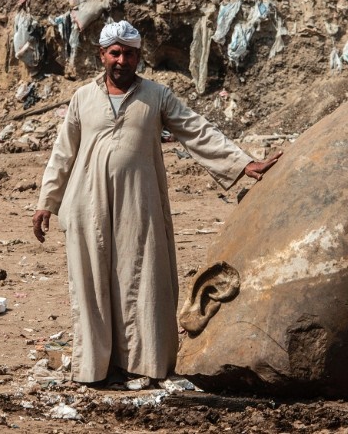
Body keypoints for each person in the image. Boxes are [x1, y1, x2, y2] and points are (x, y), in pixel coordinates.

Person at [32, 20, 281, 386]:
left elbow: (196, 129)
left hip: (140, 203)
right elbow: (62, 153)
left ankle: (143, 365)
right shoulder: (82, 98)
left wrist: (243, 163)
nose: (122, 60)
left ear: (138, 57)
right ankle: (95, 369)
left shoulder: (157, 96)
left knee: (141, 278)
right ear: (102, 55)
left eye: (129, 53)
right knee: (92, 283)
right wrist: (46, 202)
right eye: (115, 53)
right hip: (86, 204)